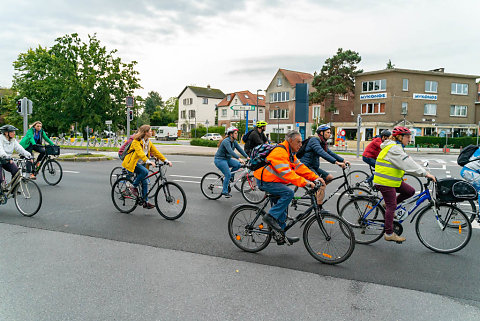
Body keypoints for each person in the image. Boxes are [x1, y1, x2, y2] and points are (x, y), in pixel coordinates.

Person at [255, 130, 321, 244]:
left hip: (273, 180)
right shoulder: (280, 152)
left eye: (301, 142)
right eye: (298, 142)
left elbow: (300, 167)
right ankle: (269, 217)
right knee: (288, 193)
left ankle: (281, 235)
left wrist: (315, 178)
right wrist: (305, 183)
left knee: (283, 211)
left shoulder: (290, 153)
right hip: (264, 181)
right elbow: (287, 173)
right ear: (290, 141)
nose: (301, 145)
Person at [373, 126, 436, 243]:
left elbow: (407, 162)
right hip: (384, 182)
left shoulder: (397, 147)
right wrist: (425, 174)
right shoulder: (394, 149)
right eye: (407, 137)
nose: (409, 140)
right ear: (399, 137)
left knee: (410, 191)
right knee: (392, 206)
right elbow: (408, 164)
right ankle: (389, 233)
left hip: (392, 181)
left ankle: (387, 207)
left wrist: (423, 170)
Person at [122, 125, 172, 209]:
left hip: (141, 163)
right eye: (150, 131)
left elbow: (156, 152)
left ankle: (146, 202)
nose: (152, 132)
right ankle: (133, 187)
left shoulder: (148, 142)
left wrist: (166, 160)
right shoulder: (136, 142)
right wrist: (148, 161)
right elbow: (140, 153)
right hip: (133, 163)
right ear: (145, 132)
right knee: (145, 172)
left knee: (145, 183)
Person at [299, 124, 349, 204]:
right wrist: (336, 162)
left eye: (330, 133)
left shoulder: (322, 143)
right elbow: (321, 153)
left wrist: (343, 160)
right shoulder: (314, 140)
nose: (329, 134)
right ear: (321, 133)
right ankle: (319, 208)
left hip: (314, 167)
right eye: (328, 132)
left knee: (329, 177)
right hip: (306, 166)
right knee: (322, 184)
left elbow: (330, 153)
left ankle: (315, 192)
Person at [214, 126, 249, 198]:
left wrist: (247, 157)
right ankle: (224, 191)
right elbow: (230, 151)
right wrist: (239, 158)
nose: (237, 134)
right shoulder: (226, 141)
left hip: (227, 159)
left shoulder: (234, 142)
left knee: (237, 165)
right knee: (227, 174)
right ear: (231, 134)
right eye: (235, 133)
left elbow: (240, 149)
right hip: (220, 159)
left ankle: (230, 178)